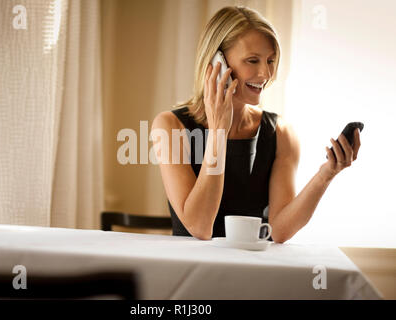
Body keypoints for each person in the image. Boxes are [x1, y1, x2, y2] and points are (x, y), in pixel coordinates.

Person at [151, 6, 361, 243]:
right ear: (216, 63)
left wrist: (326, 175)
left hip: (252, 270)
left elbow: (279, 231)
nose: (265, 73)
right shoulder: (170, 126)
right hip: (190, 270)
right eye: (252, 60)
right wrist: (219, 130)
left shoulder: (280, 132)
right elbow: (200, 227)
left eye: (270, 60)